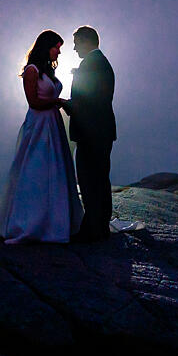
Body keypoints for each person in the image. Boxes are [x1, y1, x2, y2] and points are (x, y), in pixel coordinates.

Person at [0, 30, 83, 244]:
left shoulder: (48, 71)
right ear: (46, 46)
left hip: (52, 124)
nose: (59, 52)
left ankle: (56, 219)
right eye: (56, 47)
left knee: (56, 168)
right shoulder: (31, 71)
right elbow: (33, 102)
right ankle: (31, 221)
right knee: (36, 169)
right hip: (39, 125)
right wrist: (58, 102)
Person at [63, 25, 116, 242]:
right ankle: (98, 225)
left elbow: (89, 101)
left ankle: (94, 229)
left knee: (90, 180)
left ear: (86, 41)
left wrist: (66, 105)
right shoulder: (99, 63)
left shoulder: (93, 64)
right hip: (100, 132)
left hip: (91, 134)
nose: (74, 48)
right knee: (99, 179)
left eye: (76, 43)